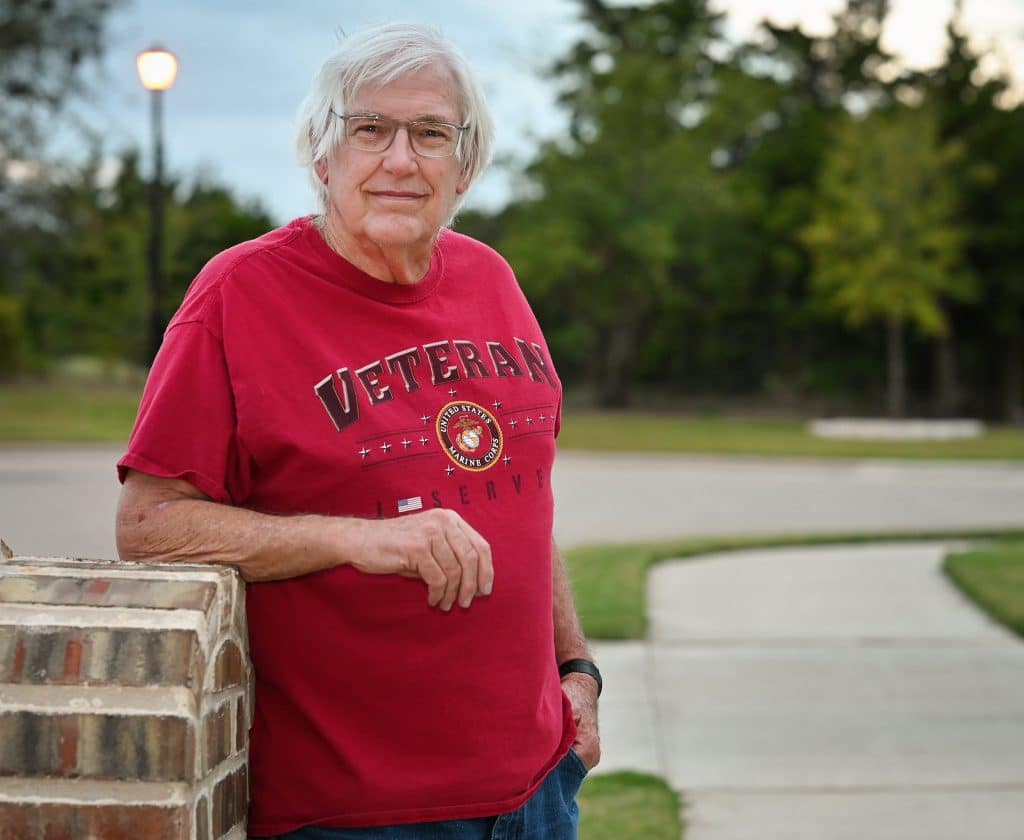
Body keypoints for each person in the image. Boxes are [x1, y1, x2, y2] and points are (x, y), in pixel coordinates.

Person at [115, 21, 601, 840]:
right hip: (358, 812)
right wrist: (356, 538)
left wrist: (577, 668)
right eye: (370, 129)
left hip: (537, 793)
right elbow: (148, 524)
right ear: (322, 154)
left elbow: (524, 496)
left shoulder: (493, 278)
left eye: (431, 133)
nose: (401, 160)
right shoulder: (240, 294)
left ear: (466, 163)